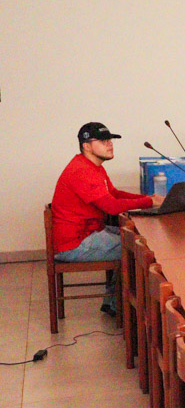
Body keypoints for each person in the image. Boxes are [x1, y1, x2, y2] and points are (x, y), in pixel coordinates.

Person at [51, 122, 160, 317]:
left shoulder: (93, 167)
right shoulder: (81, 171)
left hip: (89, 233)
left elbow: (114, 194)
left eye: (110, 140)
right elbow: (111, 206)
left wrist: (149, 199)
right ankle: (129, 310)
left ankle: (114, 303)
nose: (109, 144)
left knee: (137, 238)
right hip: (74, 244)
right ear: (86, 146)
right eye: (103, 141)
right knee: (141, 249)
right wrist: (149, 202)